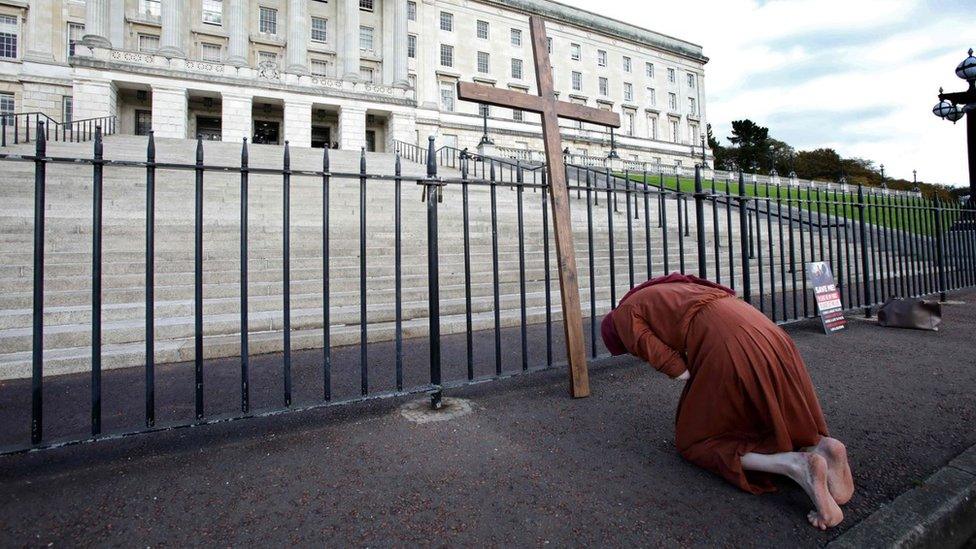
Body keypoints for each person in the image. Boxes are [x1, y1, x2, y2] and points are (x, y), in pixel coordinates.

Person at [602, 273, 854, 529]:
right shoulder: (668, 290)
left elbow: (679, 370)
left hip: (727, 342)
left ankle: (796, 466)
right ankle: (821, 446)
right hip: (764, 329)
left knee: (695, 440)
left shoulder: (622, 316)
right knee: (769, 402)